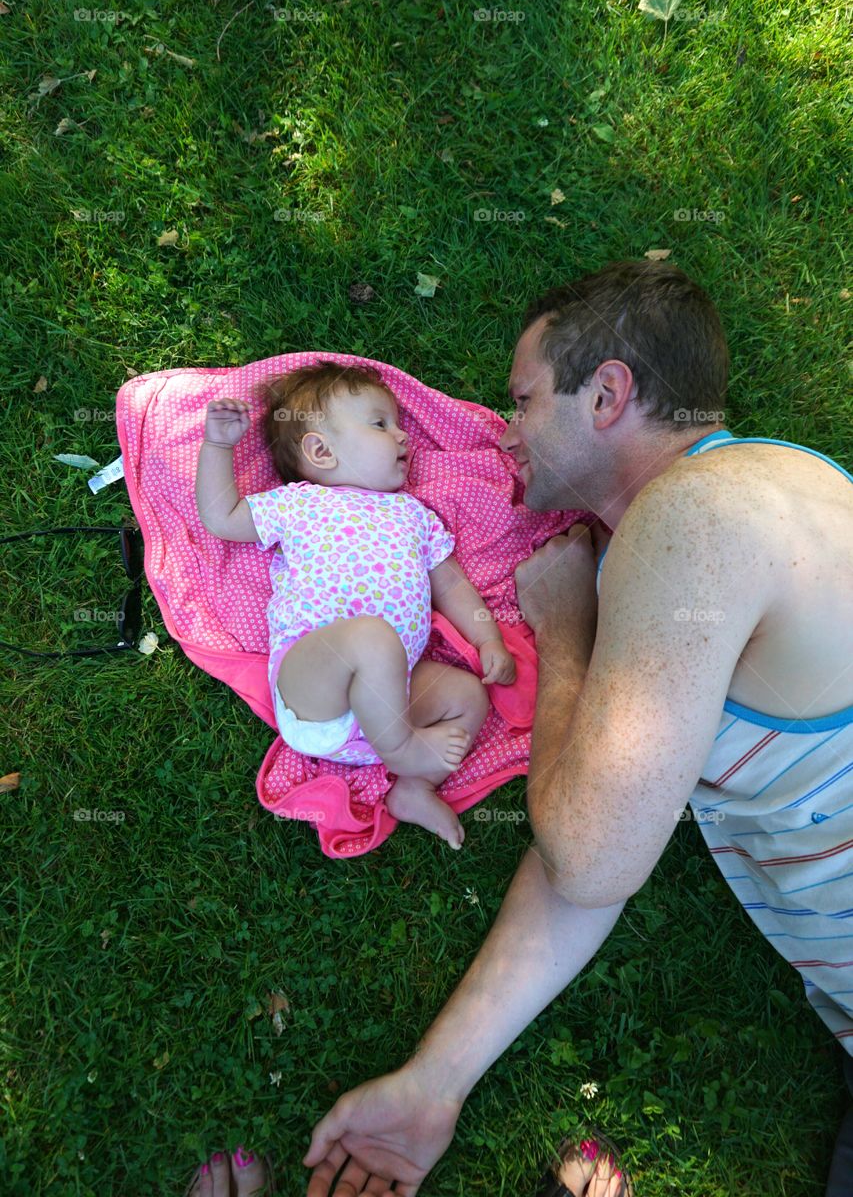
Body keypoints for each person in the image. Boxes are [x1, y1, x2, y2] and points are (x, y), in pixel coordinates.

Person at [295, 259, 853, 1197]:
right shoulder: (770, 491)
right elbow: (604, 834)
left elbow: (589, 854)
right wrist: (434, 1084)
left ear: (606, 394)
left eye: (520, 400)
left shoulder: (696, 519)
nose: (506, 434)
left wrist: (561, 639)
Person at [194, 361, 515, 852]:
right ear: (320, 451)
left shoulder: (415, 515)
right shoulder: (298, 504)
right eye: (380, 424)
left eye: (399, 424)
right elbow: (222, 516)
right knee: (369, 638)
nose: (404, 437)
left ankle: (414, 788)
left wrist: (487, 637)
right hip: (316, 690)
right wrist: (218, 446)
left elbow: (451, 584)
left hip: (390, 699)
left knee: (468, 694)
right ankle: (405, 752)